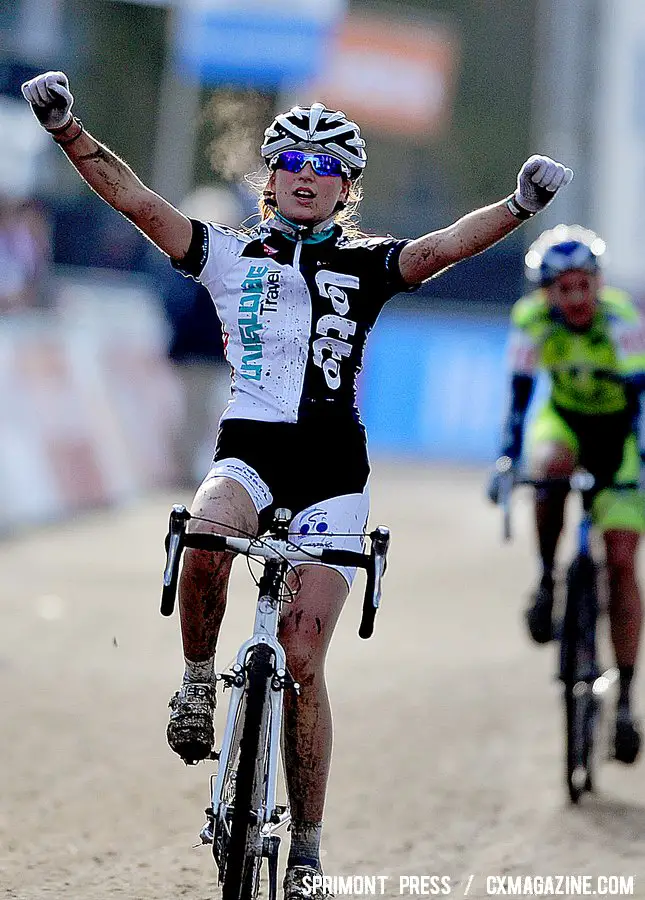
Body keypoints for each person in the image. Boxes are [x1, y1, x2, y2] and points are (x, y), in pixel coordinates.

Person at [21, 70, 572, 898]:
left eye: (326, 165)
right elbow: (135, 200)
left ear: (347, 187)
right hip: (249, 448)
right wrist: (68, 130)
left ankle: (307, 851)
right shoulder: (224, 253)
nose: (306, 174)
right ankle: (200, 685)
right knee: (205, 528)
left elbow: (445, 245)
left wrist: (518, 206)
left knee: (305, 663)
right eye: (291, 161)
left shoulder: (370, 263)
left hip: (333, 471)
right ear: (268, 177)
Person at [488, 224, 645, 765]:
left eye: (585, 285)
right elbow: (519, 397)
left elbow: (640, 401)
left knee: (622, 562)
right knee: (549, 467)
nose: (576, 298)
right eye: (564, 288)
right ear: (544, 291)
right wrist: (508, 458)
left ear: (599, 284)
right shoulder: (530, 320)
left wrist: (640, 465)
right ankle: (547, 579)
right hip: (566, 424)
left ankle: (624, 699)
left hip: (620, 436)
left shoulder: (621, 319)